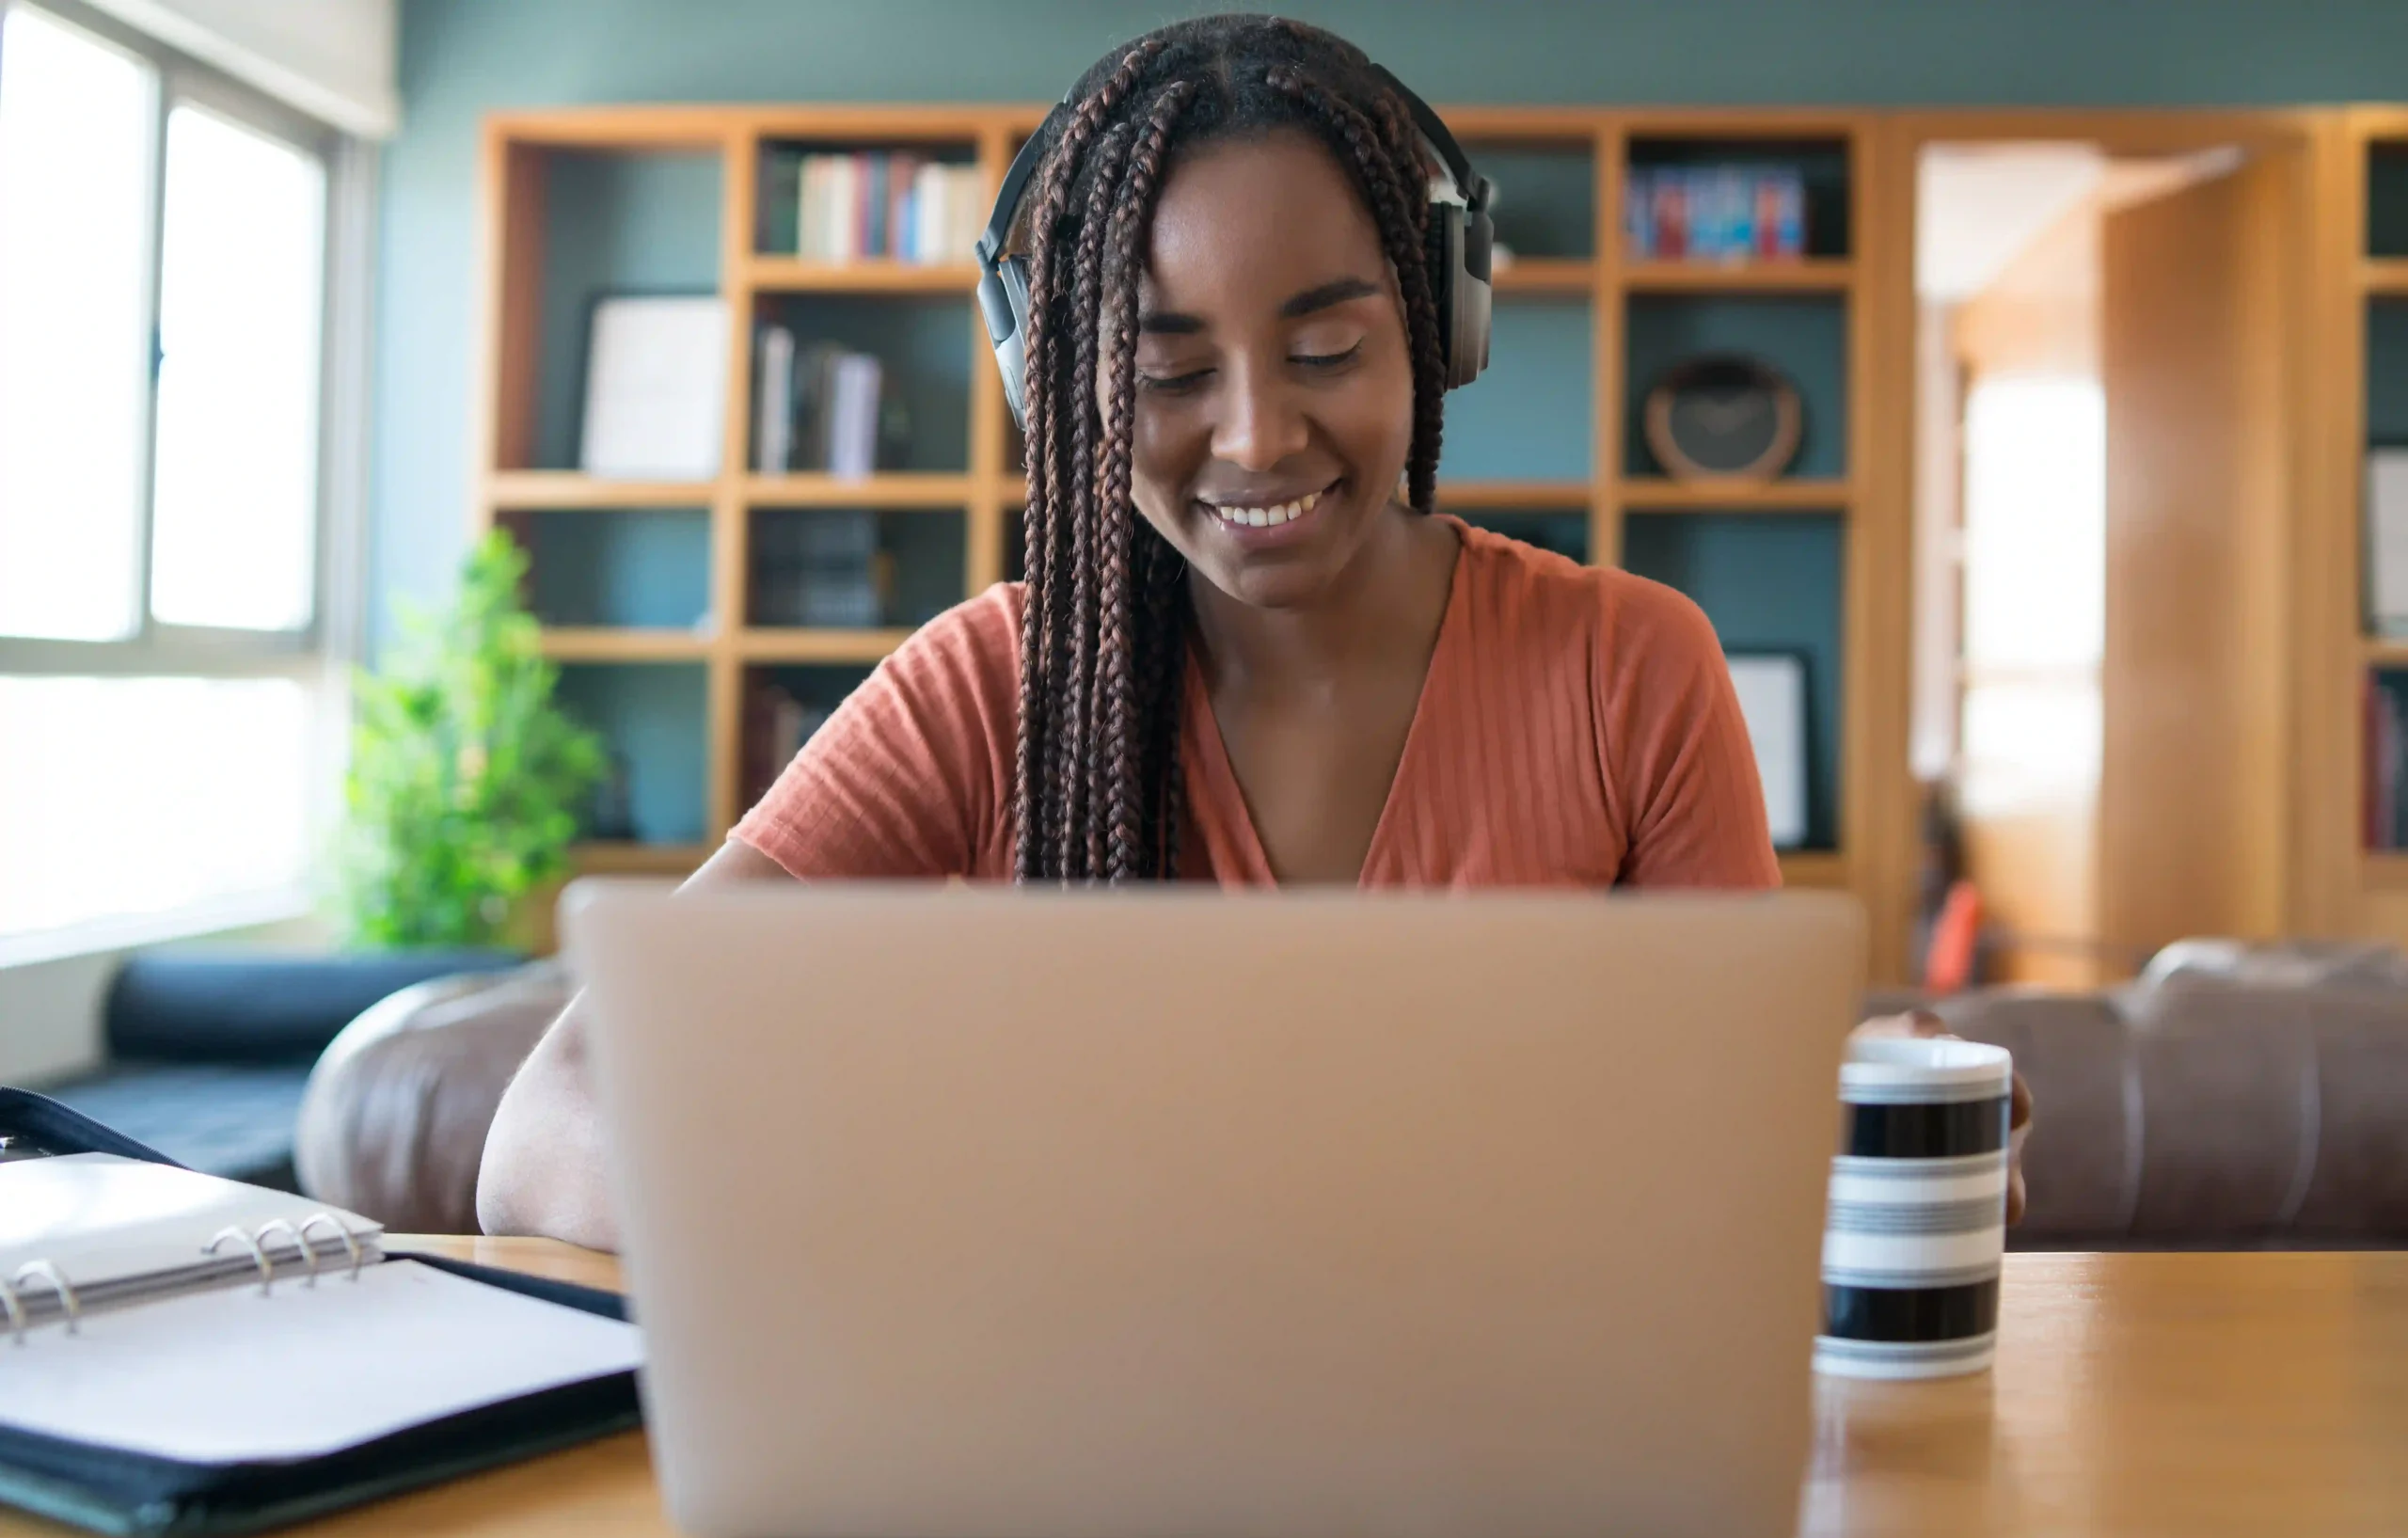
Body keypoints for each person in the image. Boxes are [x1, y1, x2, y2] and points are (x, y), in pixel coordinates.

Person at [479, 14, 2027, 1247]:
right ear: (1063, 386)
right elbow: (551, 1120)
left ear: (1440, 329)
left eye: (1329, 347)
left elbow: (1733, 1160)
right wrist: (903, 1230)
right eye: (1167, 372)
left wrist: (1859, 1171)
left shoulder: (1632, 668)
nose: (1256, 438)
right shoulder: (987, 686)